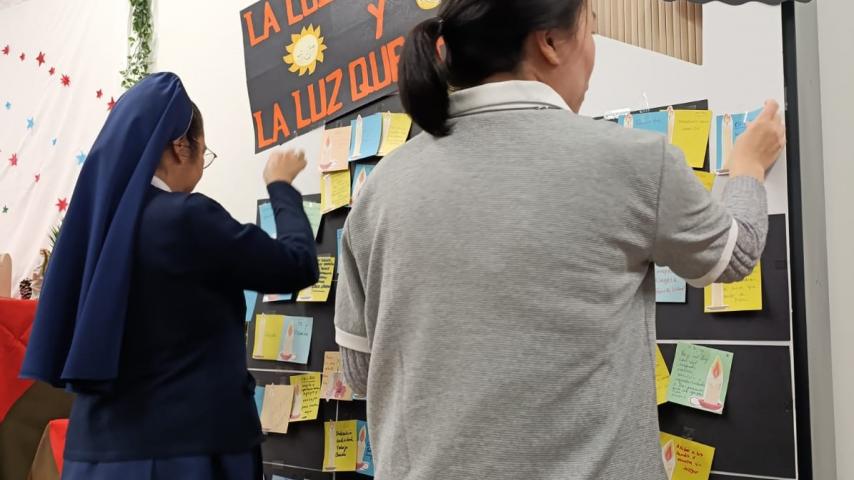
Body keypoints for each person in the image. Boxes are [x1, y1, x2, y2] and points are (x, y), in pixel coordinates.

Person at [333, 1, 785, 479]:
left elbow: (360, 373)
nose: (592, 52)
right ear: (549, 42)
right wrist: (747, 166)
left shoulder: (381, 187)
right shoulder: (634, 161)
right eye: (591, 30)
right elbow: (735, 254)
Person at [20, 73, 319, 479]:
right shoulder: (186, 217)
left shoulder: (92, 233)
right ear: (181, 146)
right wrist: (281, 186)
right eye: (204, 152)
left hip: (93, 456)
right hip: (187, 451)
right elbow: (296, 265)